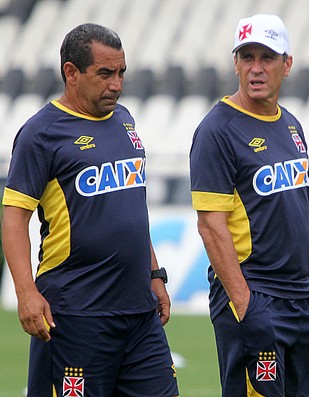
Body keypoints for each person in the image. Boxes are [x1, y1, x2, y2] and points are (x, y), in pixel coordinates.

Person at [2, 23, 179, 397]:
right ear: (71, 72)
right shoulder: (41, 133)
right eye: (105, 73)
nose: (116, 84)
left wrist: (154, 272)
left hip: (138, 312)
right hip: (75, 314)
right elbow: (14, 216)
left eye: (121, 73)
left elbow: (130, 208)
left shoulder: (125, 119)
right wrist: (25, 292)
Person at [190, 13, 309, 397]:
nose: (256, 69)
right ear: (235, 63)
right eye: (247, 57)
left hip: (302, 298)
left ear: (287, 64)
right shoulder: (217, 131)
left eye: (267, 57)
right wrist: (246, 304)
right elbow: (210, 226)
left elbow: (296, 210)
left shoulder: (292, 125)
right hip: (255, 295)